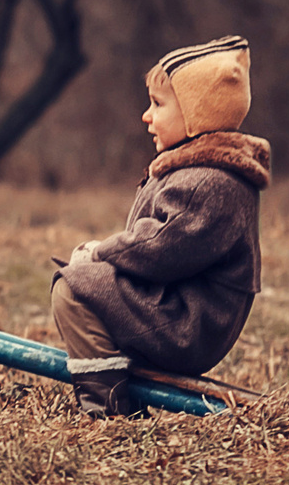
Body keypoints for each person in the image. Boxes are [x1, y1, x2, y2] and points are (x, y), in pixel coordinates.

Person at [50, 35, 269, 418]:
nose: (146, 116)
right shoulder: (195, 170)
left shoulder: (209, 182)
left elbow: (160, 249)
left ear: (197, 114)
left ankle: (110, 412)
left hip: (188, 325)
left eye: (158, 104)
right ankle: (122, 392)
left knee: (74, 290)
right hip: (176, 310)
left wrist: (99, 254)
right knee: (85, 283)